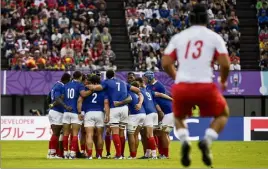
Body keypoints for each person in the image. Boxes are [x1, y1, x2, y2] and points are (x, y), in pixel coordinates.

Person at [161, 4, 230, 167]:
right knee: (223, 113)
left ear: (189, 19)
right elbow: (225, 64)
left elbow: (165, 62)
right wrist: (223, 80)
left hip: (182, 86)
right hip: (205, 85)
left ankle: (185, 140)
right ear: (207, 19)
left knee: (178, 116)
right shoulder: (214, 37)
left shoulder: (179, 37)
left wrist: (176, 76)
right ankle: (207, 140)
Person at [87, 70, 141, 159]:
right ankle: (122, 154)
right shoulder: (123, 82)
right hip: (125, 108)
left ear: (107, 76)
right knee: (121, 132)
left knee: (114, 132)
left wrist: (89, 86)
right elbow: (137, 89)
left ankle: (118, 154)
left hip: (114, 108)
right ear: (114, 75)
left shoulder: (107, 82)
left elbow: (98, 88)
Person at [136, 77, 173, 159]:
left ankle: (157, 155)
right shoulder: (149, 91)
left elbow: (158, 107)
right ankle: (150, 154)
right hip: (155, 114)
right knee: (157, 133)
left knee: (159, 134)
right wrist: (172, 99)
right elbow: (161, 94)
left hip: (155, 113)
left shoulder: (140, 92)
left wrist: (161, 112)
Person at [78, 75, 110, 159]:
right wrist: (107, 115)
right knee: (100, 135)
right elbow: (106, 103)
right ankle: (99, 155)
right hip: (100, 113)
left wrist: (79, 112)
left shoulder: (85, 89)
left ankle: (89, 155)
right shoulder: (103, 91)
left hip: (89, 113)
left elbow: (79, 101)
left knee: (89, 135)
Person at [62, 71, 92, 159]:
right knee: (75, 134)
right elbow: (83, 94)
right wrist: (91, 90)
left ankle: (65, 153)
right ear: (80, 77)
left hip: (66, 112)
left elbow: (63, 97)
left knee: (66, 134)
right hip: (75, 112)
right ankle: (72, 154)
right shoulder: (80, 85)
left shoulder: (66, 85)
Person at [114, 81, 145, 159]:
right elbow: (141, 95)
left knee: (130, 135)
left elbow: (129, 99)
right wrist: (140, 103)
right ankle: (134, 154)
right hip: (143, 114)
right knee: (136, 135)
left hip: (134, 114)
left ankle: (132, 155)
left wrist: (119, 103)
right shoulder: (137, 94)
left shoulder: (128, 92)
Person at [47, 73, 71, 159]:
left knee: (56, 133)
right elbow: (57, 98)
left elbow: (48, 97)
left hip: (54, 111)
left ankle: (50, 152)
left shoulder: (56, 85)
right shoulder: (60, 86)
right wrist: (65, 106)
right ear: (67, 80)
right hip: (57, 112)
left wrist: (50, 105)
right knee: (56, 133)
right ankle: (52, 154)